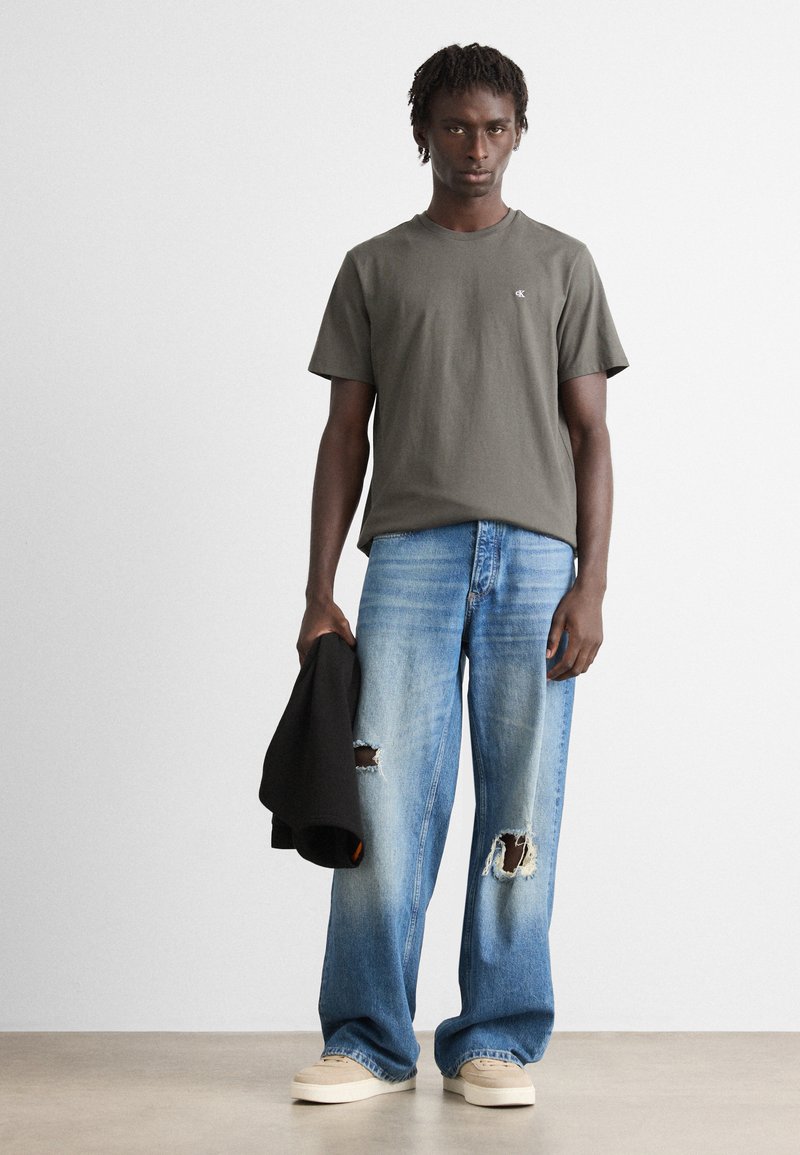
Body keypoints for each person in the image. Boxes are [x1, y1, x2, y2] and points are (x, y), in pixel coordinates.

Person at [289, 42, 629, 1109]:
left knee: (521, 799)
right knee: (381, 798)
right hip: (410, 558)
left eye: (493, 127)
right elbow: (342, 436)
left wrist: (592, 584)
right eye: (454, 127)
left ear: (518, 132)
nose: (474, 147)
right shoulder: (374, 266)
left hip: (535, 561)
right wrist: (317, 591)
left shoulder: (563, 262)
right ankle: (368, 1040)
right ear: (421, 133)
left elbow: (591, 435)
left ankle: (497, 1039)